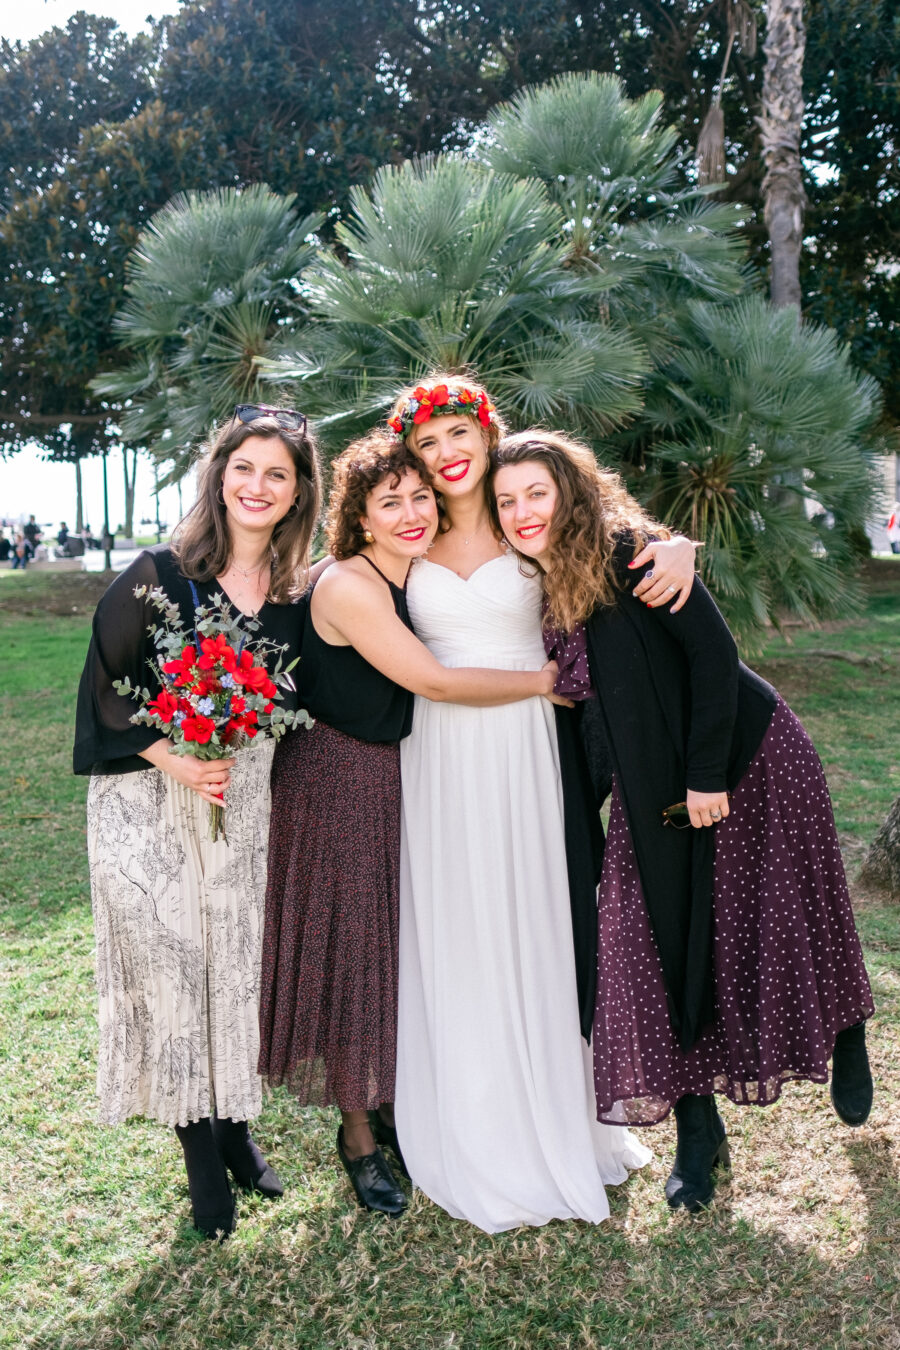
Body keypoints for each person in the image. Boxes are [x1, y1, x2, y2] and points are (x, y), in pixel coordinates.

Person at [490, 429, 875, 1213]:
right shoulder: (540, 580)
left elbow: (712, 653)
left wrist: (705, 778)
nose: (523, 511)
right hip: (650, 795)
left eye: (537, 491)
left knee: (785, 915)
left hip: (746, 759)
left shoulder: (631, 549)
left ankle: (848, 1032)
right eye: (507, 501)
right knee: (656, 953)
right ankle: (699, 1137)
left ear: (572, 488)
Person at [386, 376, 696, 1233]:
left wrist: (681, 545)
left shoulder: (537, 527)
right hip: (440, 754)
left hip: (533, 750)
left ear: (488, 438)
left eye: (460, 436)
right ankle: (472, 1124)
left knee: (541, 916)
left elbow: (616, 537)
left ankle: (557, 1113)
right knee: (459, 925)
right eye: (431, 443)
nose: (448, 456)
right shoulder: (406, 536)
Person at [258, 432, 568, 1218]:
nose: (410, 512)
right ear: (359, 520)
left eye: (418, 496)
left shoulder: (408, 577)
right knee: (352, 948)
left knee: (395, 948)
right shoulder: (351, 586)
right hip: (335, 778)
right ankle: (358, 1138)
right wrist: (539, 680)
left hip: (391, 772)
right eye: (388, 502)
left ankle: (397, 1106)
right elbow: (430, 677)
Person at [73, 404, 321, 1238]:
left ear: (296, 494)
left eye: (277, 474)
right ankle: (199, 1161)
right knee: (178, 974)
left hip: (240, 803)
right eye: (243, 467)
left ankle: (237, 1132)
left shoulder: (295, 594)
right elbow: (105, 682)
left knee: (235, 973)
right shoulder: (160, 574)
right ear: (219, 475)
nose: (257, 486)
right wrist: (173, 755)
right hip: (150, 795)